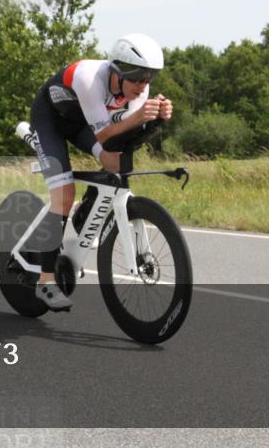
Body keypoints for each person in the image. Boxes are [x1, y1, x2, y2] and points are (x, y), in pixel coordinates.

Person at [26, 34, 174, 311]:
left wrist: (155, 121)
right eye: (138, 79)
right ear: (118, 71)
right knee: (64, 196)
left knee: (115, 164)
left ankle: (86, 213)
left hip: (82, 123)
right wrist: (139, 116)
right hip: (50, 122)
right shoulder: (89, 78)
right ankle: (45, 281)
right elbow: (105, 134)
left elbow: (122, 139)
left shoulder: (138, 90)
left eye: (149, 79)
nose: (143, 86)